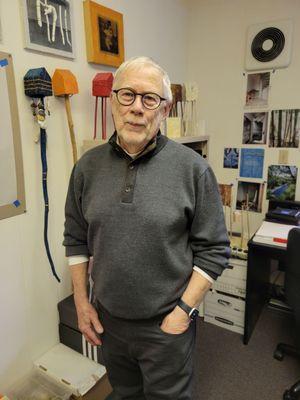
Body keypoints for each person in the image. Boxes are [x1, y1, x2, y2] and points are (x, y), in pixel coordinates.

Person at [63, 56, 230, 400]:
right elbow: (76, 240)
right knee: (125, 393)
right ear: (113, 102)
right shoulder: (86, 168)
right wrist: (82, 302)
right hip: (109, 321)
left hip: (166, 326)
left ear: (164, 110)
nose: (137, 108)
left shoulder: (193, 171)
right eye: (127, 95)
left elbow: (214, 251)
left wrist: (183, 312)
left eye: (149, 98)